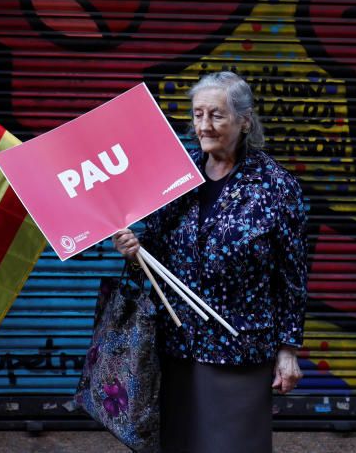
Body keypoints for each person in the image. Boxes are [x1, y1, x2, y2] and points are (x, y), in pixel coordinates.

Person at [112, 71, 308, 453]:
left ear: (244, 120)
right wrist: (135, 248)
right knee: (179, 443)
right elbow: (154, 245)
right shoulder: (177, 174)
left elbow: (292, 278)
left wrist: (288, 351)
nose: (204, 126)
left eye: (216, 115)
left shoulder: (276, 187)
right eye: (198, 114)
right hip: (177, 344)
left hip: (240, 348)